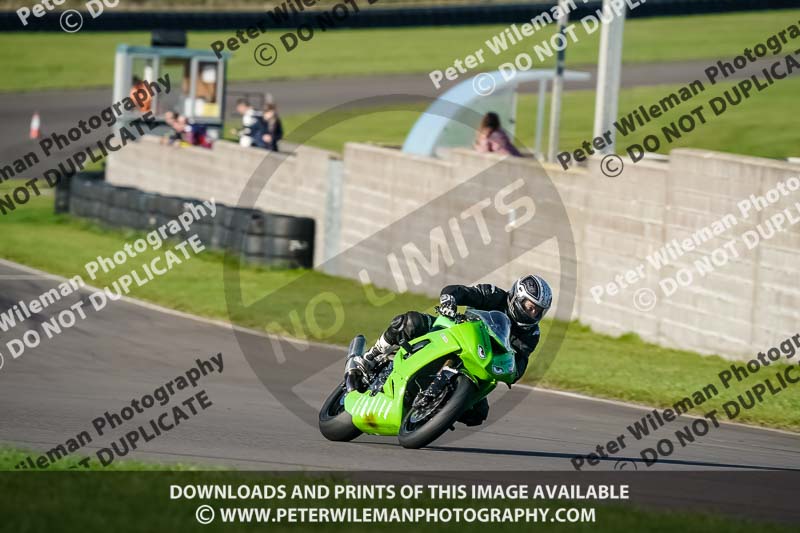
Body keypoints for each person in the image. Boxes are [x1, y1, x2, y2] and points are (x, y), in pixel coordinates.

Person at [359, 275, 552, 427]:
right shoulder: (494, 295)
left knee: (477, 414)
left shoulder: (531, 333)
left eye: (538, 311)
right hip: (452, 331)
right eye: (530, 307)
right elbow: (458, 291)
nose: (533, 314)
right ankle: (371, 356)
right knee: (409, 322)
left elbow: (520, 362)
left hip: (479, 361)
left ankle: (436, 410)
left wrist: (511, 372)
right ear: (517, 297)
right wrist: (449, 301)